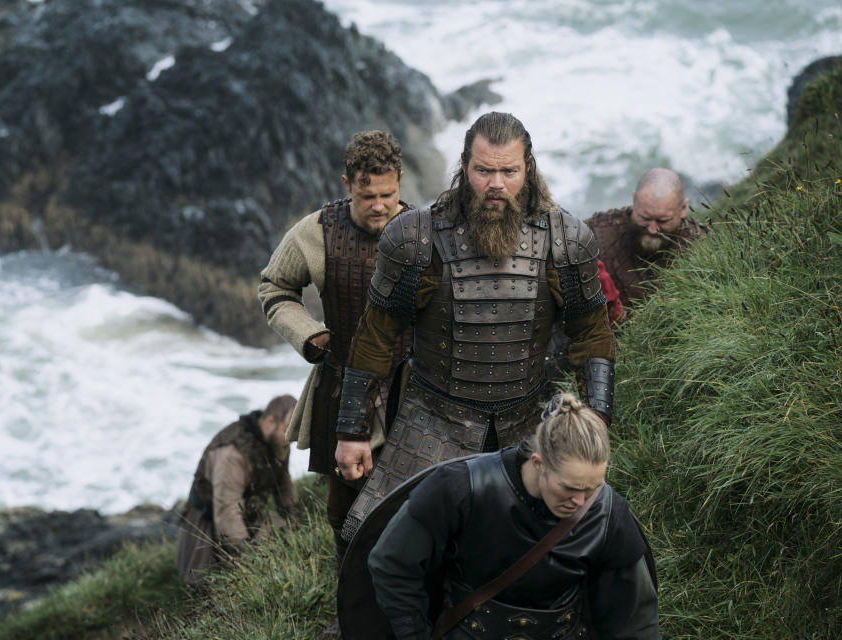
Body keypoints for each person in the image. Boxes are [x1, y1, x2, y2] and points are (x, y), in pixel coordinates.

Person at [334, 112, 617, 541]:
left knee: (556, 542)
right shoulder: (415, 238)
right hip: (432, 420)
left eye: (509, 171)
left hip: (528, 422)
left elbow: (592, 333)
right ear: (465, 166)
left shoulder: (566, 239)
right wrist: (352, 432)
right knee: (370, 538)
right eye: (484, 170)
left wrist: (595, 419)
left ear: (529, 168)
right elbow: (376, 334)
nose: (496, 184)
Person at [365, 393, 659, 640]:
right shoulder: (458, 489)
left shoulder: (608, 513)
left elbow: (634, 620)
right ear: (538, 462)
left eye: (592, 488)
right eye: (569, 487)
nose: (580, 502)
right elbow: (392, 564)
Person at [258, 130, 412, 566]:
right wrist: (309, 335)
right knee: (344, 510)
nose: (379, 205)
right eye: (367, 196)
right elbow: (274, 288)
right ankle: (351, 601)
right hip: (341, 383)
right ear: (348, 185)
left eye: (388, 193)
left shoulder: (424, 230)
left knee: (414, 502)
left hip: (411, 387)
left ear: (399, 180)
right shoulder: (317, 232)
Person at [175, 394, 298, 586]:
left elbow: (282, 481)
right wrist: (247, 556)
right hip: (210, 517)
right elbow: (227, 509)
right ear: (269, 421)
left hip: (249, 509)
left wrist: (293, 518)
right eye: (287, 430)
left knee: (277, 531)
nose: (291, 439)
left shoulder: (279, 441)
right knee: (207, 584)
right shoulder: (232, 453)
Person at [587, 168, 708, 310]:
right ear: (634, 200)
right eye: (645, 218)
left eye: (663, 220)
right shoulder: (594, 232)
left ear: (682, 209)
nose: (652, 229)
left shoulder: (703, 246)